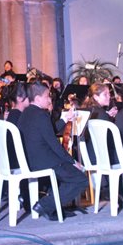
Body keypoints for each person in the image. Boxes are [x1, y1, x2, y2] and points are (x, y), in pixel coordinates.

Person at [19, 82, 89, 219]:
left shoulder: (26, 113)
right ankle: (46, 205)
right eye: (47, 96)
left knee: (66, 176)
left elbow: (48, 132)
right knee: (80, 179)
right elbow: (54, 144)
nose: (50, 99)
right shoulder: (41, 115)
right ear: (38, 99)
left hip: (32, 159)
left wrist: (64, 119)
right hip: (44, 161)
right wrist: (73, 161)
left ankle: (55, 208)